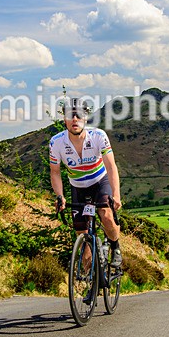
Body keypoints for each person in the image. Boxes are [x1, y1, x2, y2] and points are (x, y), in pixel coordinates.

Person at [51, 98, 122, 267]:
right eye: (70, 115)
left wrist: (116, 195)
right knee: (82, 236)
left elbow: (111, 166)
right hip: (77, 187)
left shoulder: (98, 136)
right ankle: (89, 276)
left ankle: (115, 247)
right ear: (65, 120)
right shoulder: (56, 142)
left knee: (106, 215)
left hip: (100, 182)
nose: (74, 119)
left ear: (85, 118)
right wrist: (60, 196)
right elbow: (55, 172)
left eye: (78, 115)